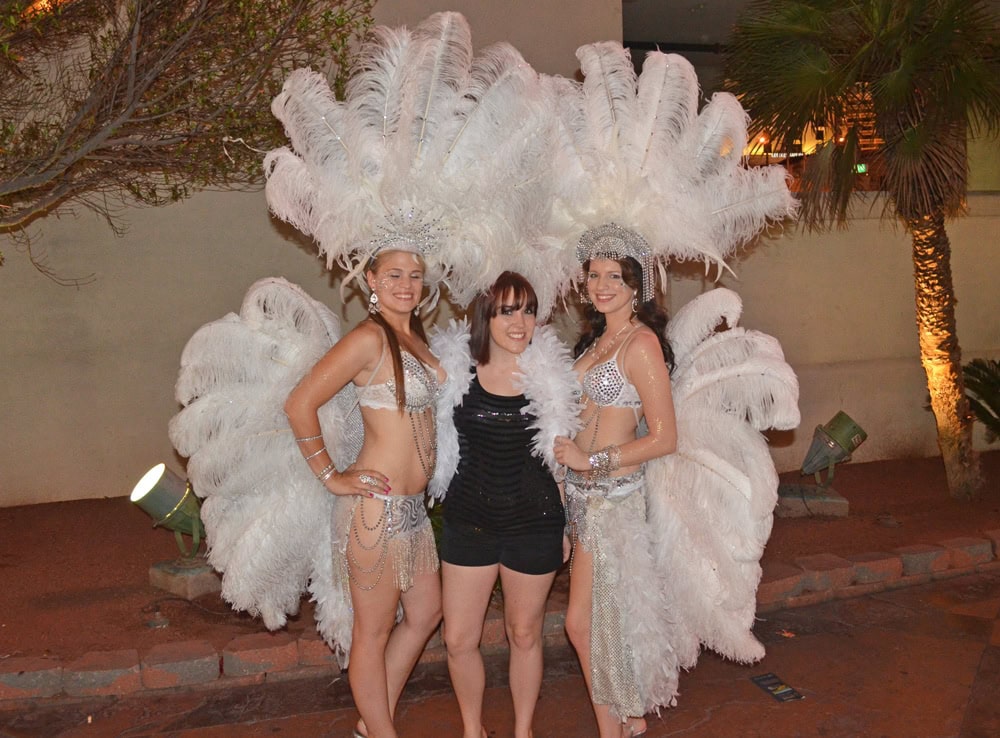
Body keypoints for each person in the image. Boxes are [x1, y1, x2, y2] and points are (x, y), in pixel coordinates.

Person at [285, 248, 444, 738]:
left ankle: (372, 722)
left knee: (425, 614)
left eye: (414, 276)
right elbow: (299, 403)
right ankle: (381, 730)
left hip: (413, 512)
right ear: (370, 279)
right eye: (393, 274)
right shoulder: (368, 339)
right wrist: (331, 476)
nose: (405, 284)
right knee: (372, 635)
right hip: (374, 511)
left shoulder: (412, 337)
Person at [430, 271, 579, 738]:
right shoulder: (455, 369)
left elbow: (561, 458)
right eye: (507, 310)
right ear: (485, 315)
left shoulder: (551, 375)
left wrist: (567, 525)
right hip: (468, 520)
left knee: (525, 633)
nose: (520, 321)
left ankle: (522, 731)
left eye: (528, 309)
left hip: (533, 522)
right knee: (457, 639)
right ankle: (474, 730)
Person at [553, 244, 679, 738]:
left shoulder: (640, 344)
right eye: (594, 276)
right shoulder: (595, 342)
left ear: (636, 287)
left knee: (585, 626)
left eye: (614, 277)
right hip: (583, 501)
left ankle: (622, 725)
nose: (602, 286)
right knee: (593, 626)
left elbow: (665, 437)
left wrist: (592, 460)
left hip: (614, 500)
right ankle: (627, 720)